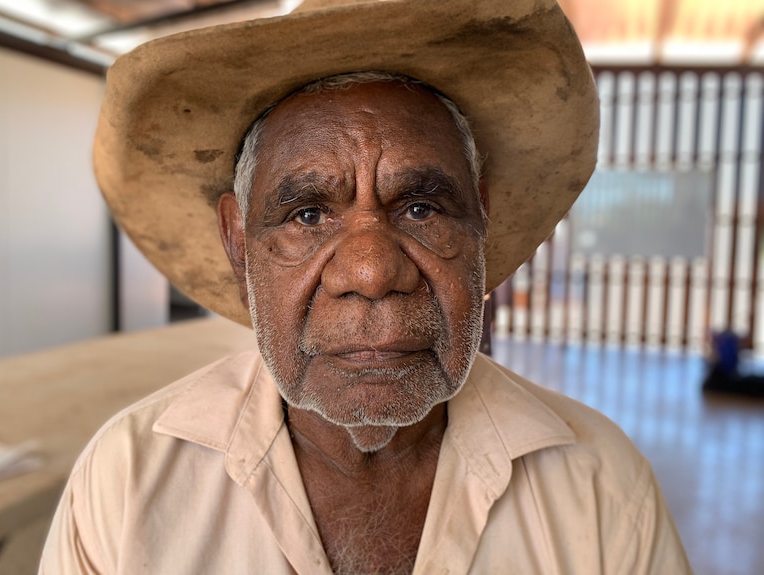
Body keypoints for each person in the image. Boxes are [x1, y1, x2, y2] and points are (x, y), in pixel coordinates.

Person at [40, 0, 693, 572]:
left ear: (481, 228)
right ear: (239, 244)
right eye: (308, 214)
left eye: (421, 207)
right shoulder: (128, 482)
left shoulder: (602, 486)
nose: (372, 271)